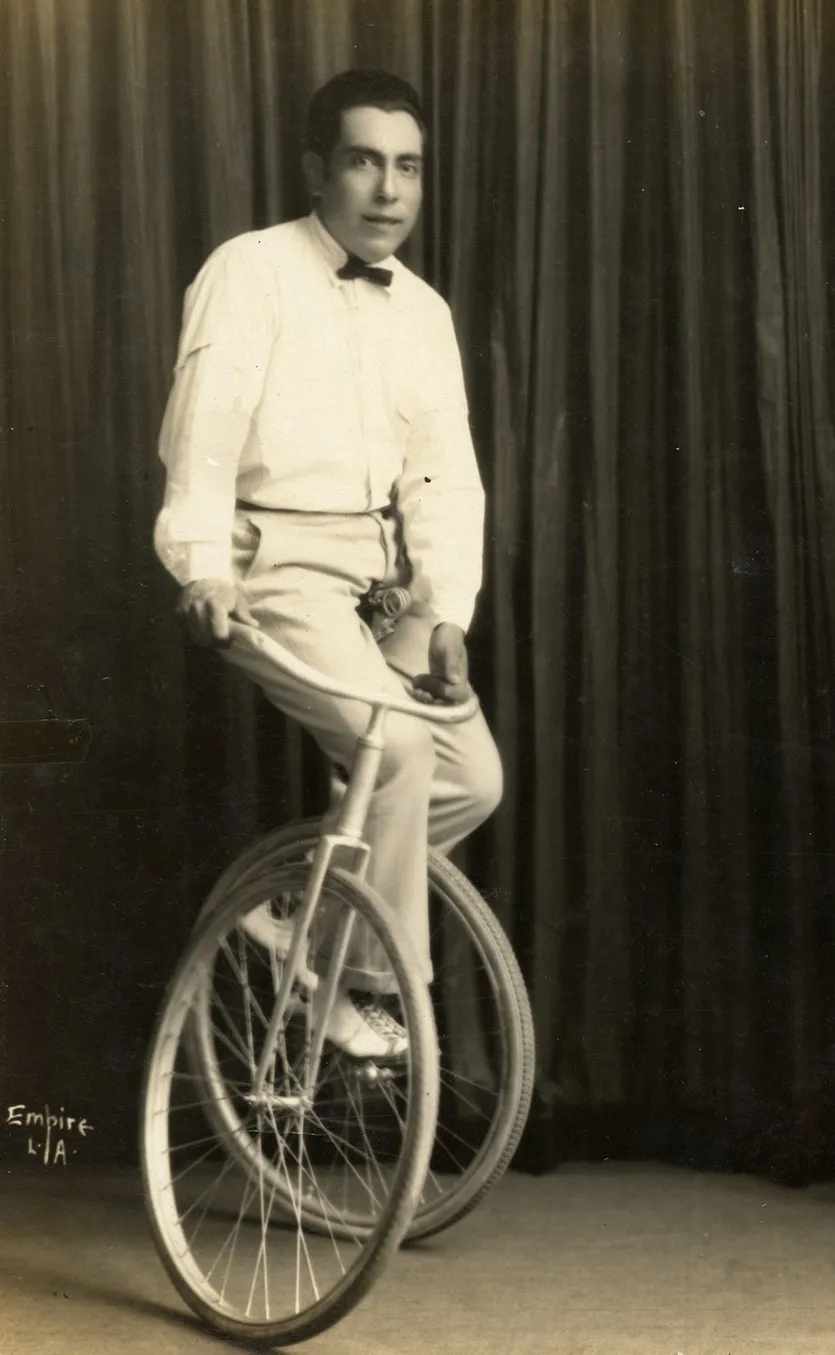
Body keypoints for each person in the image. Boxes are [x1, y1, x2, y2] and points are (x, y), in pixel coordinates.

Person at [153, 68, 502, 1059]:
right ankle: (354, 982)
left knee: (470, 781)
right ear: (317, 170)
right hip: (275, 567)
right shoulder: (250, 270)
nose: (389, 191)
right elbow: (205, 430)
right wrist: (203, 564)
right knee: (390, 749)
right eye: (364, 162)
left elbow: (445, 477)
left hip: (379, 585)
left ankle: (293, 919)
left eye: (408, 168)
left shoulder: (425, 313)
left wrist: (443, 612)